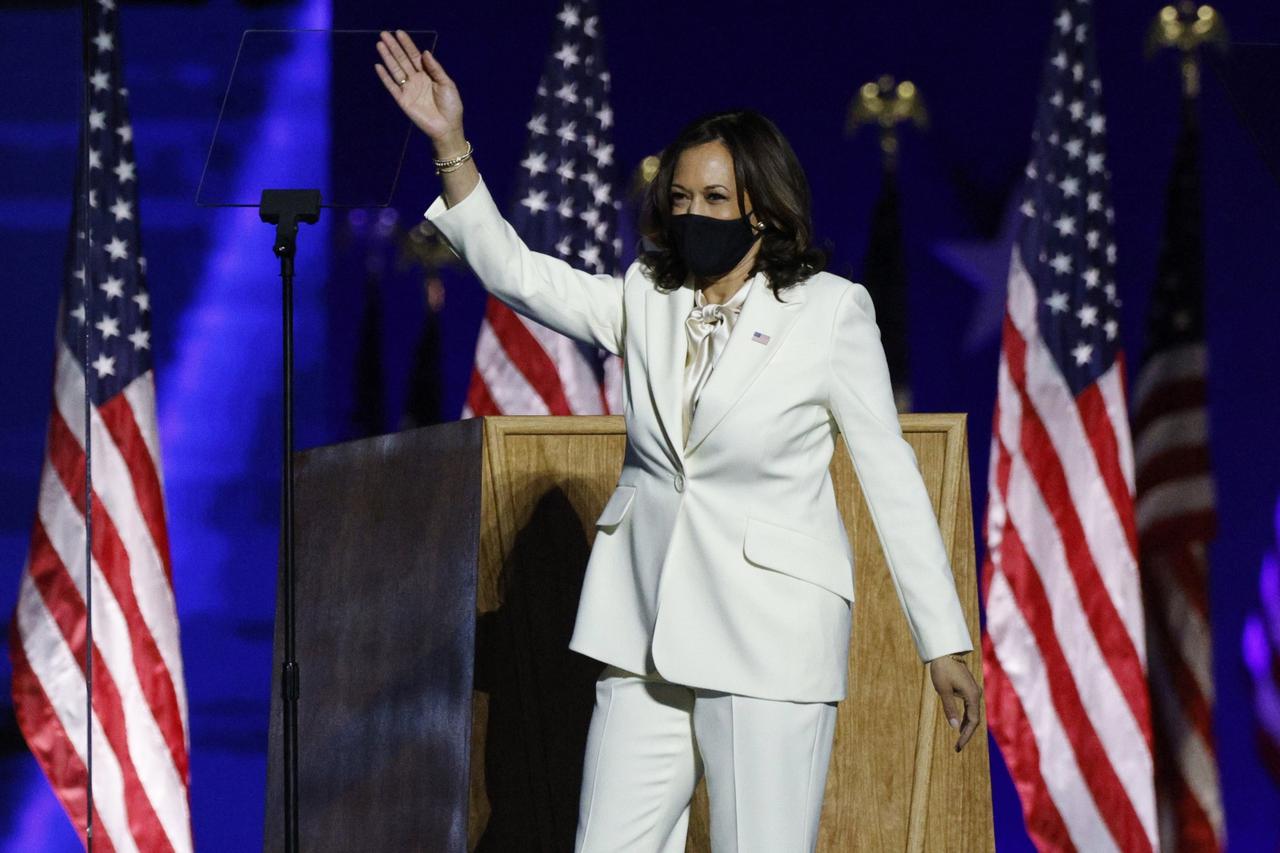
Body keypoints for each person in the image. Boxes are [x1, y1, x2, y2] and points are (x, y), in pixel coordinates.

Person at [374, 29, 982, 853]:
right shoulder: (647, 296)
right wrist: (452, 145)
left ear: (764, 211)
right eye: (682, 198)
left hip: (769, 642)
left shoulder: (830, 313)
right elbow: (519, 274)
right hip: (644, 631)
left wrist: (942, 641)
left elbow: (892, 477)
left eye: (715, 198)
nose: (692, 213)